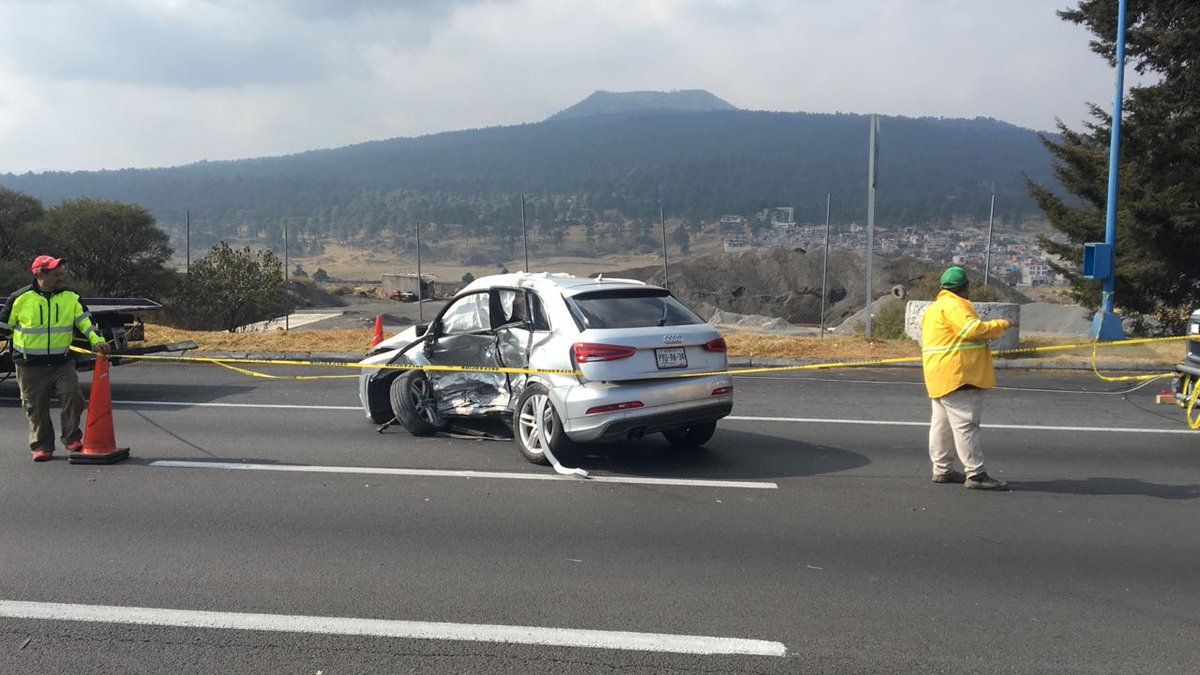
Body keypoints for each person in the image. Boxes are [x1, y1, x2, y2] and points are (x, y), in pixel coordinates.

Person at [0, 256, 110, 461]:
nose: (61, 277)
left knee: (73, 399)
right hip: (30, 365)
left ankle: (71, 438)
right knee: (35, 407)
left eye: (62, 273)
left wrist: (97, 341)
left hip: (62, 362)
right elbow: (4, 327)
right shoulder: (20, 298)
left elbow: (86, 323)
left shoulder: (71, 297)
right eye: (55, 274)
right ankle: (42, 446)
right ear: (40, 275)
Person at [920, 266, 1014, 490]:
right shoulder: (955, 306)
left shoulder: (934, 309)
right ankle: (976, 474)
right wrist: (1001, 325)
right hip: (959, 375)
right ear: (965, 288)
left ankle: (942, 469)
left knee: (941, 425)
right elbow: (973, 331)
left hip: (938, 375)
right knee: (966, 425)